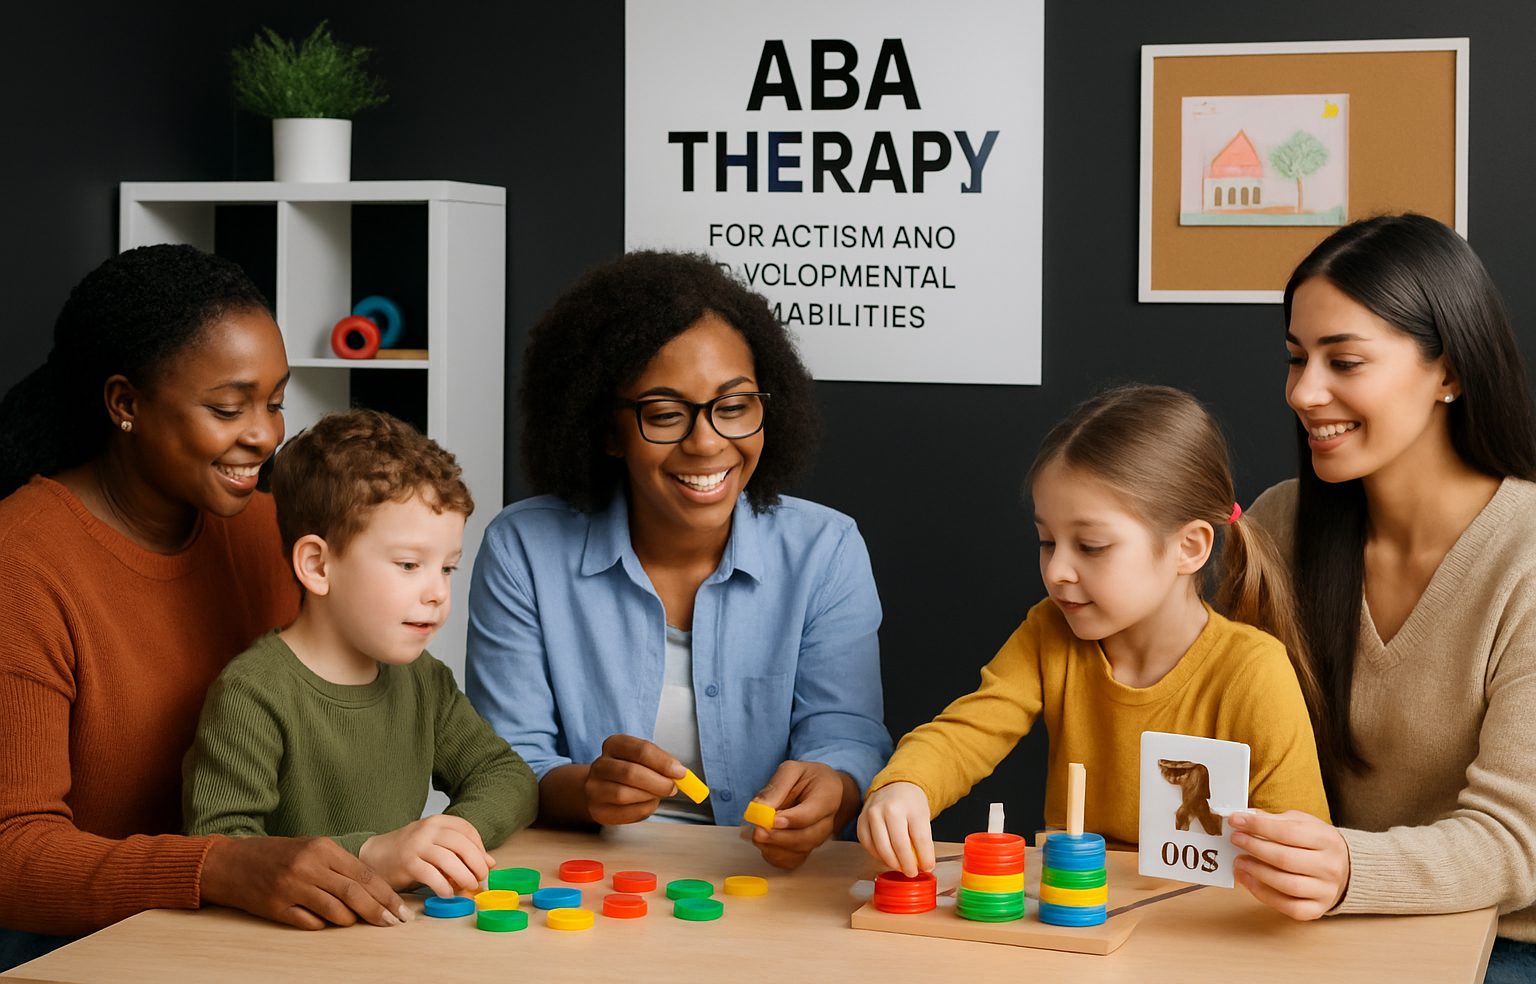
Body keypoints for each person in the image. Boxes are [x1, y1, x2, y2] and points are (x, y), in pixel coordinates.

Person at [0, 245, 409, 972]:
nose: (264, 434)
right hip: (67, 943)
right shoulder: (22, 564)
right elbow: (13, 854)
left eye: (276, 400)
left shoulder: (273, 536)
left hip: (232, 925)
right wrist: (216, 867)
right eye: (228, 407)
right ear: (125, 403)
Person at [465, 250, 892, 870]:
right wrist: (586, 791)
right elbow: (508, 761)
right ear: (605, 431)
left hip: (767, 884)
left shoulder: (825, 550)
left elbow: (847, 737)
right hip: (586, 885)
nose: (707, 441)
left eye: (735, 405)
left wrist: (834, 787)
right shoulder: (523, 550)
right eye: (665, 415)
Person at [1232, 214, 1536, 979]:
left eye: (1346, 361)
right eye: (1297, 358)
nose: (1305, 392)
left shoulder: (1526, 552)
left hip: (1501, 943)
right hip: (1309, 923)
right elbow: (1222, 737)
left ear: (1450, 373)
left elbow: (1513, 839)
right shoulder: (1277, 523)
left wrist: (1347, 872)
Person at [857, 384, 1330, 877]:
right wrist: (905, 785)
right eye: (1046, 541)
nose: (1056, 569)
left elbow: (1299, 848)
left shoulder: (1255, 671)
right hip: (1077, 917)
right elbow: (966, 732)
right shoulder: (1048, 631)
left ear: (1189, 548)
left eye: (1091, 545)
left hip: (1206, 934)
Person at [183, 409, 538, 902]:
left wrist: (448, 839)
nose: (437, 592)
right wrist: (371, 854)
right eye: (410, 564)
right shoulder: (253, 692)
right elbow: (218, 849)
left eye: (448, 568)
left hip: (391, 938)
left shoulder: (423, 680)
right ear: (318, 565)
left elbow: (508, 776)